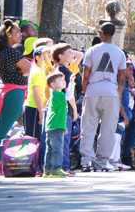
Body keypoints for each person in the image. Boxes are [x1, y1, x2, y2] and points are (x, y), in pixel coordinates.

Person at [80, 22, 127, 172]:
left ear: (101, 33)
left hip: (93, 90)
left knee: (88, 127)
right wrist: (118, 94)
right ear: (113, 34)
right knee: (108, 129)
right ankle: (102, 162)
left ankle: (87, 161)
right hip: (111, 91)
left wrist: (84, 90)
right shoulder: (120, 53)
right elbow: (122, 77)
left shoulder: (92, 50)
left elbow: (86, 74)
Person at [52, 44, 79, 175]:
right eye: (69, 52)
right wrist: (74, 110)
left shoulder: (57, 69)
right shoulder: (66, 72)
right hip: (65, 109)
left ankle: (57, 165)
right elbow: (70, 94)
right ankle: (64, 166)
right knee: (65, 139)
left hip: (57, 109)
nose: (72, 54)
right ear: (60, 56)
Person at [42, 72, 70, 178]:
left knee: (50, 149)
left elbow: (59, 113)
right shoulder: (58, 94)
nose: (64, 81)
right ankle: (56, 169)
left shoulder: (54, 95)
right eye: (60, 80)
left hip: (52, 126)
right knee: (57, 149)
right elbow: (69, 95)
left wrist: (64, 126)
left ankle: (47, 170)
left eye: (64, 80)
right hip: (56, 126)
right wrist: (71, 83)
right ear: (52, 84)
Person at [22, 46, 48, 151]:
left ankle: (37, 165)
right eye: (45, 54)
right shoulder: (37, 72)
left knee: (38, 138)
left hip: (38, 108)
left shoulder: (41, 69)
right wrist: (41, 112)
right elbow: (36, 93)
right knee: (32, 139)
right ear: (37, 57)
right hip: (34, 108)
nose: (48, 57)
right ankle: (31, 165)